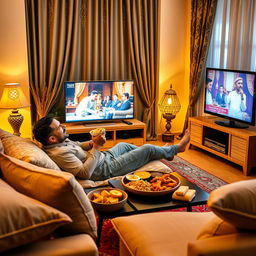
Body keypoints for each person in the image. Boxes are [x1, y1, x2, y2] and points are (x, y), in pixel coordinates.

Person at [32, 116, 191, 181]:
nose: (64, 127)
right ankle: (177, 149)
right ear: (52, 138)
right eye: (60, 127)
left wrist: (92, 142)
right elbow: (84, 174)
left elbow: (79, 146)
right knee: (147, 148)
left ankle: (165, 153)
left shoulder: (59, 142)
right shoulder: (59, 154)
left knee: (122, 144)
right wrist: (97, 146)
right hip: (104, 169)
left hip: (103, 158)